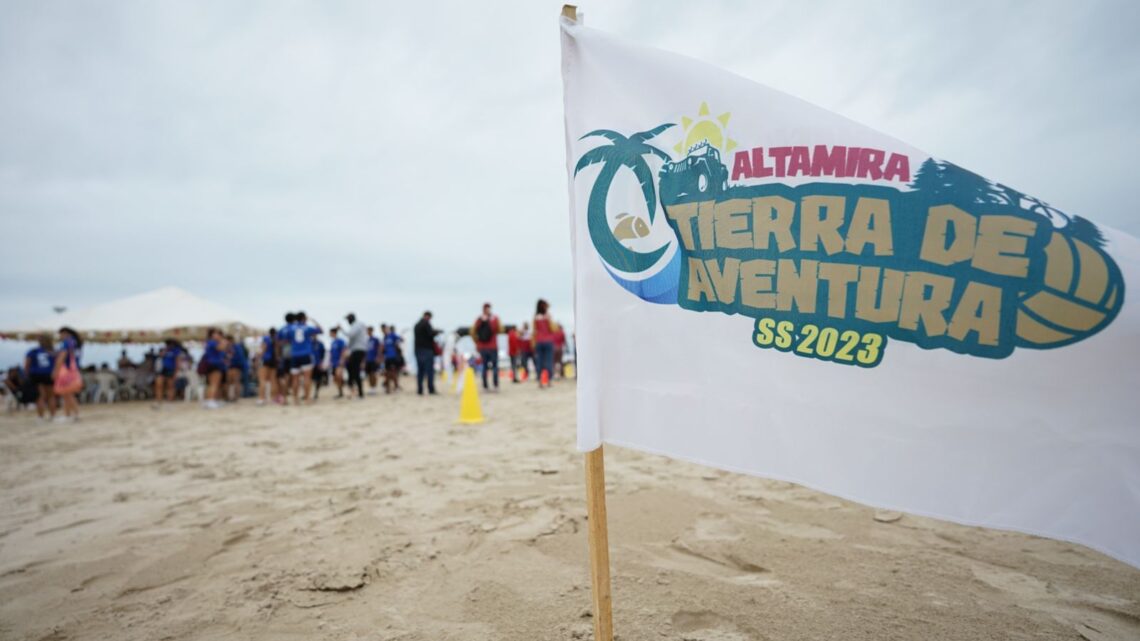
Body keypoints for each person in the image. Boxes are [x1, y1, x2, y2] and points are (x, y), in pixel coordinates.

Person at [286, 311, 322, 404]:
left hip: (294, 355)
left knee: (295, 379)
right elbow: (321, 330)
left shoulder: (291, 328)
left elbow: (285, 339)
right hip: (305, 354)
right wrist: (313, 320)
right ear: (304, 318)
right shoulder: (307, 328)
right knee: (307, 378)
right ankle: (307, 399)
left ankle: (295, 399)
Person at [53, 327, 84, 421]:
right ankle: (70, 414)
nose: (60, 337)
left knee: (67, 393)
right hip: (74, 370)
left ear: (65, 333)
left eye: (61, 334)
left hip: (67, 371)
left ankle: (72, 414)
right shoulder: (76, 343)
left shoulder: (67, 343)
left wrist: (55, 371)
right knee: (68, 393)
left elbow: (61, 357)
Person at [25, 335, 55, 420]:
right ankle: (53, 415)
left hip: (36, 375)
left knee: (40, 396)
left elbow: (27, 364)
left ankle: (40, 417)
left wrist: (27, 375)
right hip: (48, 374)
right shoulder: (52, 351)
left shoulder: (33, 351)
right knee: (51, 396)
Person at [472, 302, 501, 391]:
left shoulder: (479, 319)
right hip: (492, 346)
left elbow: (472, 332)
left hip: (482, 347)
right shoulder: (495, 318)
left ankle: (485, 386)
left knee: (484, 366)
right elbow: (500, 329)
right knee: (495, 366)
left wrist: (477, 343)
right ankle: (495, 385)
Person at [200, 328, 228, 409]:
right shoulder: (213, 342)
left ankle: (210, 400)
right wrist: (223, 340)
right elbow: (222, 348)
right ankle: (211, 401)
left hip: (211, 364)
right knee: (214, 384)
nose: (218, 335)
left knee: (212, 384)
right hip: (214, 365)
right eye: (216, 334)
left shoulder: (209, 342)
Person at [413, 311, 439, 396]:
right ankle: (430, 389)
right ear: (428, 316)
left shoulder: (416, 325)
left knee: (420, 371)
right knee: (429, 371)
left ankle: (420, 389)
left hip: (418, 350)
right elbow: (431, 334)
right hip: (427, 350)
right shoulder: (426, 324)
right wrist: (437, 332)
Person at [343, 313, 367, 399]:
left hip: (358, 350)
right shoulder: (356, 326)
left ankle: (358, 392)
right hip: (356, 350)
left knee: (354, 370)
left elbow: (350, 335)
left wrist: (341, 329)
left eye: (347, 319)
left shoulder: (357, 325)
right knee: (351, 369)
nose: (347, 322)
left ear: (351, 319)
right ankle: (354, 388)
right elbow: (351, 340)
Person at [533, 299, 556, 389]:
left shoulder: (535, 317)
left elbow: (534, 331)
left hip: (539, 341)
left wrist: (533, 343)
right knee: (548, 362)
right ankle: (549, 381)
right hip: (548, 341)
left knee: (540, 362)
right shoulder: (548, 316)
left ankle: (540, 382)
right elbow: (553, 329)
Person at [153, 339, 183, 406]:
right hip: (162, 369)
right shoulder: (164, 350)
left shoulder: (175, 350)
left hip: (170, 370)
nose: (168, 345)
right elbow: (159, 359)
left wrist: (176, 371)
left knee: (170, 386)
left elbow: (177, 361)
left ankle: (170, 401)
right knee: (159, 385)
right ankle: (158, 401)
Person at [257, 328, 279, 405]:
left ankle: (261, 399)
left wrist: (258, 356)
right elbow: (277, 352)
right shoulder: (276, 339)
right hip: (273, 361)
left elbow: (263, 349)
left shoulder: (266, 338)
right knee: (273, 380)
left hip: (266, 359)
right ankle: (273, 399)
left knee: (262, 380)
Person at [382, 325, 403, 393]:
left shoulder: (393, 335)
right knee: (387, 373)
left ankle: (396, 386)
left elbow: (401, 339)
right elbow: (384, 348)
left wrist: (396, 344)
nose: (384, 331)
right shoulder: (385, 337)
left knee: (393, 372)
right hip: (387, 357)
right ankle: (388, 388)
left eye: (385, 329)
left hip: (393, 357)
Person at [328, 327, 346, 398]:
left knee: (339, 376)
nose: (329, 334)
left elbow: (343, 350)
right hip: (334, 362)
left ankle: (347, 387)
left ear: (333, 333)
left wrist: (342, 360)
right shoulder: (332, 342)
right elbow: (331, 353)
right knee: (335, 378)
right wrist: (330, 361)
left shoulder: (340, 341)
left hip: (339, 362)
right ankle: (340, 392)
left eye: (330, 333)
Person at [364, 326, 381, 394]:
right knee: (369, 374)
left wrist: (378, 357)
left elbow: (379, 349)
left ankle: (374, 387)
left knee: (373, 374)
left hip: (373, 359)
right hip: (368, 360)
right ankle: (371, 387)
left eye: (369, 331)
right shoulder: (366, 340)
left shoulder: (375, 339)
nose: (368, 332)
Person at [311, 334, 327, 400]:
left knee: (318, 379)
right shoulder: (308, 343)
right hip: (310, 364)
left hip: (317, 363)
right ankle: (307, 394)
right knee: (309, 379)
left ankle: (316, 393)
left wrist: (321, 362)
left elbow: (323, 354)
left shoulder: (320, 344)